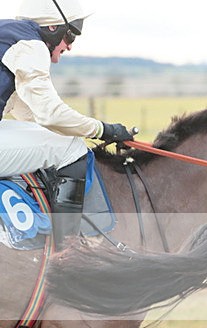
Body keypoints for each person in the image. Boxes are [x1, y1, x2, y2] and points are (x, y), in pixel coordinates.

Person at [1, 0, 134, 244]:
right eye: (71, 35)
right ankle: (67, 250)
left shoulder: (9, 36)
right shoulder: (31, 45)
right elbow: (50, 115)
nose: (70, 46)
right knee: (71, 148)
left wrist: (74, 128)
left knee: (57, 139)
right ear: (52, 27)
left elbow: (27, 113)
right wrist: (103, 129)